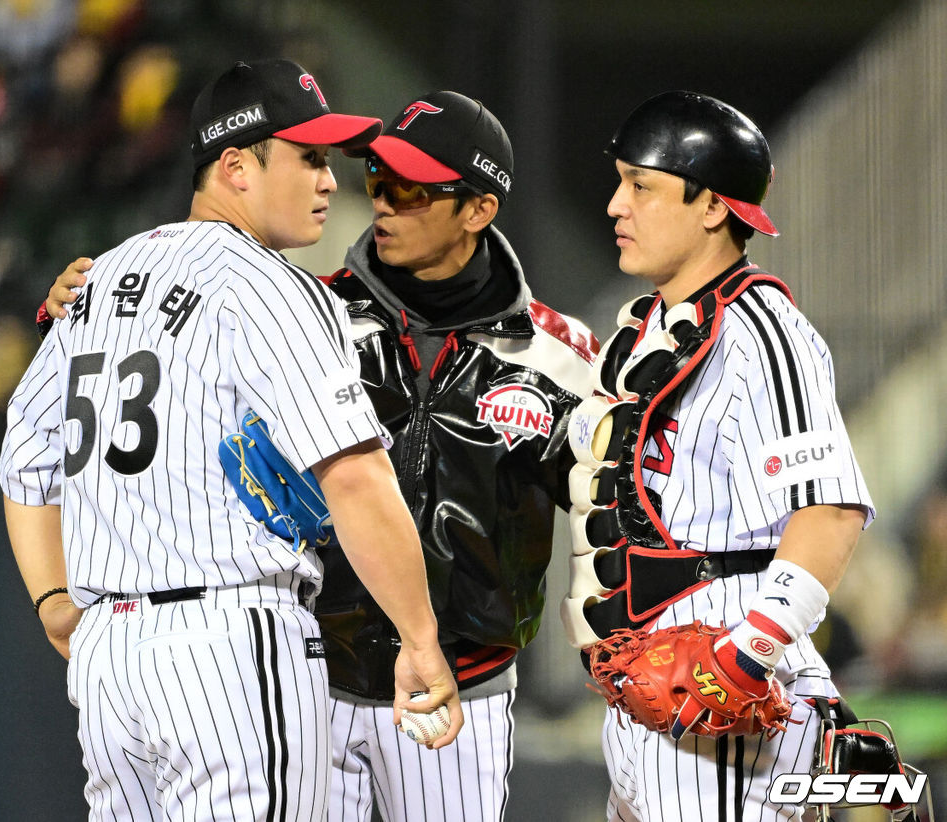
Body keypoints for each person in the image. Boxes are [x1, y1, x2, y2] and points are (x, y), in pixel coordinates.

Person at [43, 90, 599, 822]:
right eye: (377, 180)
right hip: (310, 677)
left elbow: (603, 512)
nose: (383, 203)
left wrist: (600, 635)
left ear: (477, 210)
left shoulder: (563, 354)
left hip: (459, 684)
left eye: (409, 188)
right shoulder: (306, 309)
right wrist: (80, 304)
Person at [0, 58, 462, 822]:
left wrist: (54, 599)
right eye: (309, 158)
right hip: (229, 642)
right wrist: (417, 634)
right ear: (237, 166)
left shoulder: (100, 278)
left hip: (111, 663)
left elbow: (25, 455)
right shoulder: (271, 285)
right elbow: (353, 477)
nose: (327, 182)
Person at [559, 90, 874, 821]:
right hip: (645, 682)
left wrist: (747, 653)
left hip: (722, 694)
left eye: (641, 185)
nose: (615, 204)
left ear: (711, 207)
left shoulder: (762, 332)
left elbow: (829, 510)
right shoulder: (651, 330)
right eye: (619, 181)